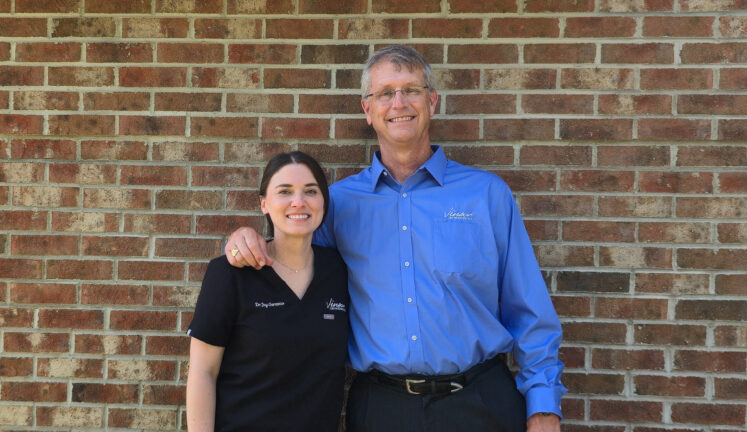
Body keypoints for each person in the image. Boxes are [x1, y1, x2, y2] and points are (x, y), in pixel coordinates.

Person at [224, 45, 566, 432]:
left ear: (432, 101)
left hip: (482, 402)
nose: (399, 103)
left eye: (412, 90)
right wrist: (245, 239)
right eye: (385, 93)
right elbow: (291, 266)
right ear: (367, 110)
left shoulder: (486, 195)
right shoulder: (339, 203)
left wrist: (543, 408)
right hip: (382, 408)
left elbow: (530, 311)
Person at [186, 151, 349, 432]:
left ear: (323, 202)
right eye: (284, 191)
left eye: (310, 191)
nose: (298, 201)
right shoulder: (229, 274)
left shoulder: (338, 270)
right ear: (264, 204)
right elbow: (203, 372)